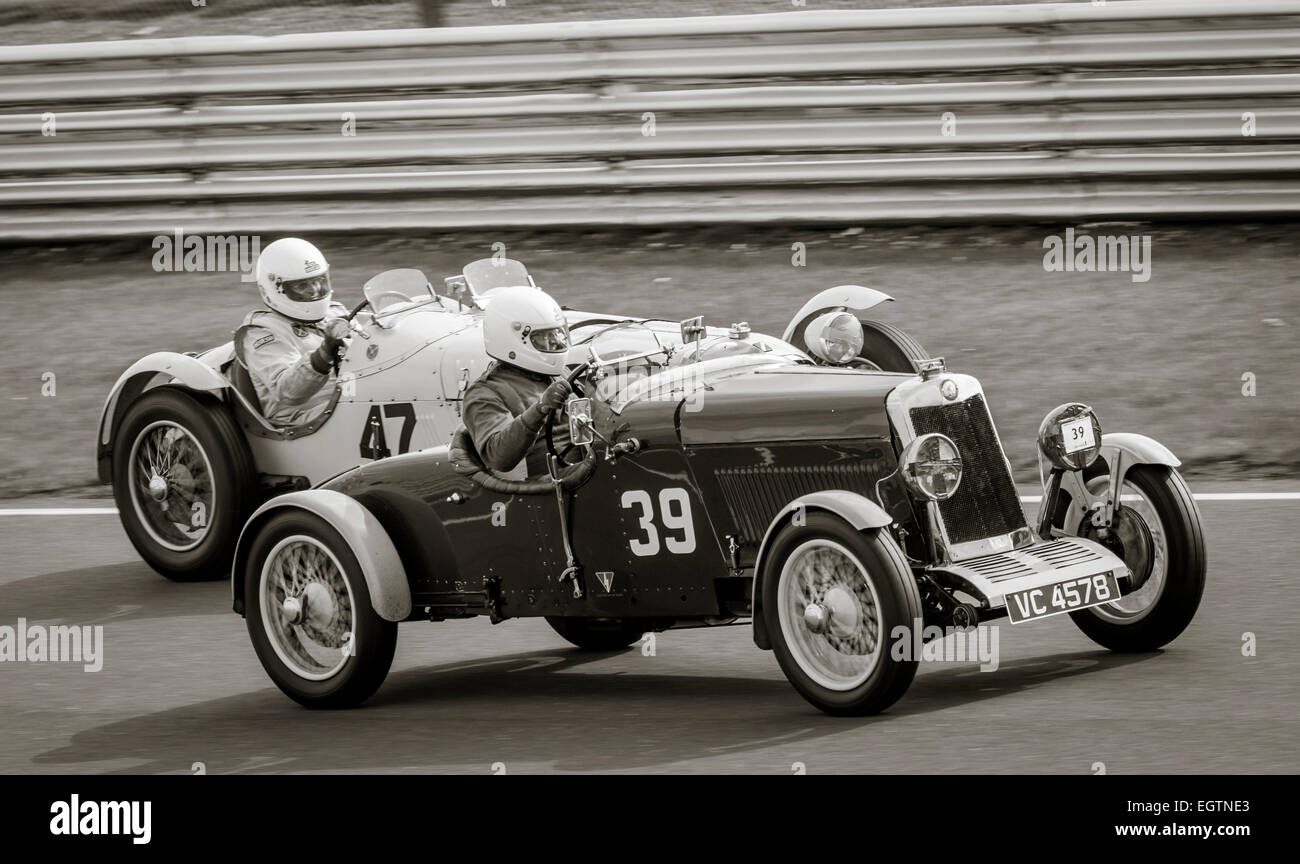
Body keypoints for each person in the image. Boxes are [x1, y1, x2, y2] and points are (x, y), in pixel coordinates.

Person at [462, 285, 575, 478]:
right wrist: (539, 409)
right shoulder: (485, 393)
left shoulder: (558, 373)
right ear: (511, 339)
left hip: (584, 467)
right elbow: (499, 458)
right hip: (550, 487)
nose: (556, 342)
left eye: (558, 334)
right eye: (544, 337)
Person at [237, 238, 350, 426]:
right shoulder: (261, 332)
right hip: (303, 419)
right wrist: (324, 352)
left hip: (347, 399)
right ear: (276, 288)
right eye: (302, 286)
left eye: (319, 281)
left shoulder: (335, 312)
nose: (315, 290)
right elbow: (288, 392)